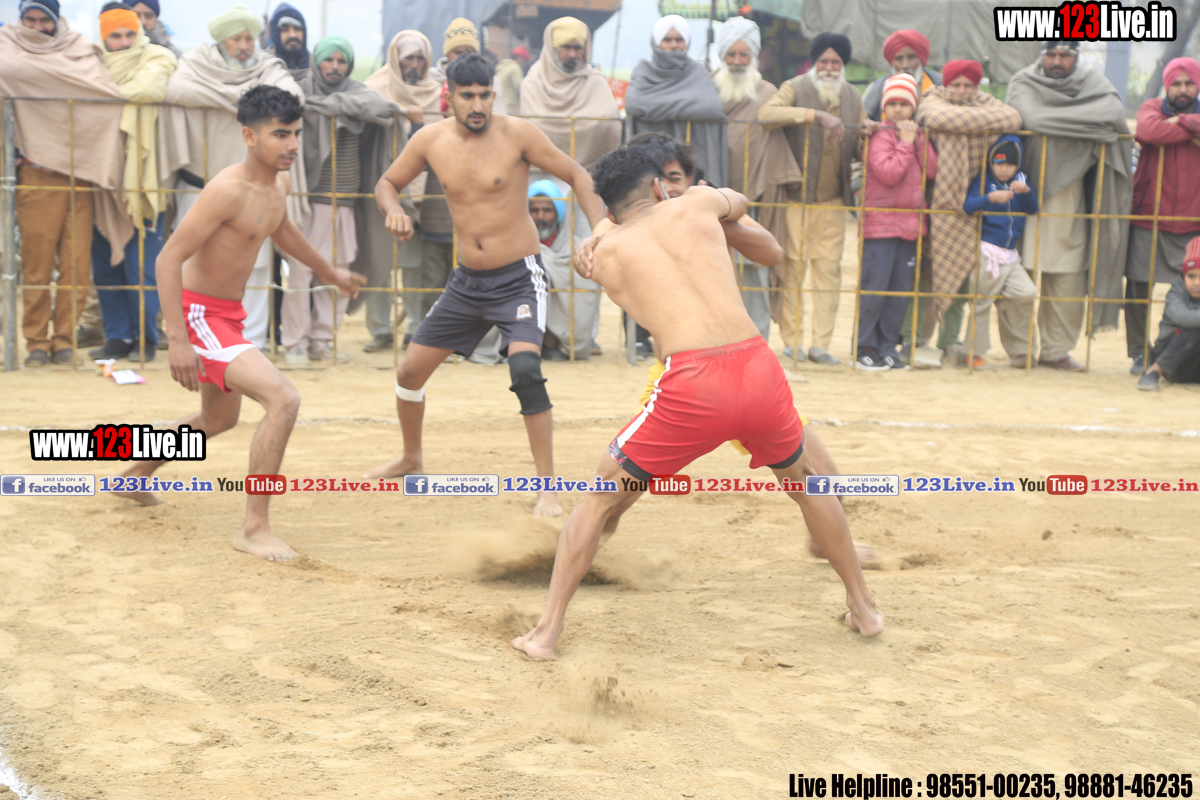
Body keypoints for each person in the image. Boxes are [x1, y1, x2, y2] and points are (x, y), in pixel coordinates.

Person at [511, 147, 883, 659]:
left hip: (692, 382)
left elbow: (609, 249)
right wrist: (705, 201)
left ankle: (545, 632)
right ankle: (864, 607)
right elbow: (741, 204)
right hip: (756, 365)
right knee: (805, 482)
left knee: (600, 497)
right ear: (659, 187)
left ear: (610, 208)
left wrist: (595, 239)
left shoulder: (603, 253)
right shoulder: (697, 203)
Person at [112, 86, 363, 560]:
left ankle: (134, 475)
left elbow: (283, 230)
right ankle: (253, 527)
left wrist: (330, 273)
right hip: (200, 316)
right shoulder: (227, 190)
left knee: (218, 419)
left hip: (226, 316)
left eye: (296, 134)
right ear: (250, 136)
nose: (292, 145)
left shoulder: (277, 185)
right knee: (283, 399)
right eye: (280, 135)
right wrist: (178, 340)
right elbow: (168, 259)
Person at [367, 54, 606, 518]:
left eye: (485, 95)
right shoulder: (430, 140)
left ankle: (547, 489)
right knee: (408, 374)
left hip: (518, 278)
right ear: (449, 97)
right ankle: (411, 458)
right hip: (466, 283)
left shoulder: (519, 134)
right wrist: (393, 210)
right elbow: (386, 183)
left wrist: (599, 232)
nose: (477, 105)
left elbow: (578, 174)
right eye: (467, 96)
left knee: (525, 370)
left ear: (494, 94)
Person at [160, 5, 306, 352]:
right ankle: (191, 342)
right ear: (221, 41)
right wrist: (246, 104)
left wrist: (221, 98)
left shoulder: (267, 65)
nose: (244, 46)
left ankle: (248, 346)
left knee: (254, 266)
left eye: (248, 38)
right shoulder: (197, 62)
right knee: (192, 261)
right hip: (199, 185)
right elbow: (176, 91)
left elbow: (295, 97)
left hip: (253, 186)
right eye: (236, 39)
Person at [1, 0, 126, 367]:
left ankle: (65, 341)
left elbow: (104, 93)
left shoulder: (79, 49)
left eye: (44, 20)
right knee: (37, 264)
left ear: (56, 21)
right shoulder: (7, 46)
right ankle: (37, 343)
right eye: (30, 19)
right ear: (20, 18)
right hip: (36, 173)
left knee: (76, 265)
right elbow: (10, 71)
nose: (37, 27)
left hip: (80, 174)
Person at [1007, 40, 1132, 372]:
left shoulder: (1093, 82)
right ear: (1042, 56)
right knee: (1017, 273)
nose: (1057, 60)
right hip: (1023, 194)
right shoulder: (1023, 80)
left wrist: (1050, 121)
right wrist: (1085, 124)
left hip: (1072, 197)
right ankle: (1020, 348)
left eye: (1065, 55)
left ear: (1076, 57)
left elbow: (1112, 114)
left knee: (1068, 275)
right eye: (1051, 54)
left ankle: (1056, 350)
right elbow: (1030, 116)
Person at [281, 36, 399, 367]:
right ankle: (295, 344)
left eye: (341, 61)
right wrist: (331, 106)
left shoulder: (356, 90)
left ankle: (322, 341)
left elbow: (383, 108)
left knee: (337, 274)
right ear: (317, 61)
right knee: (301, 273)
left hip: (345, 202)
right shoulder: (299, 90)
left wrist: (334, 104)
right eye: (329, 59)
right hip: (308, 200)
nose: (335, 66)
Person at [758, 32, 865, 365]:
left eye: (836, 62)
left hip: (833, 202)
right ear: (814, 63)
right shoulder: (795, 87)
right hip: (795, 200)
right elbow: (766, 115)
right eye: (824, 61)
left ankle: (821, 345)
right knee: (793, 270)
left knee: (828, 273)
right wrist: (814, 115)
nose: (829, 67)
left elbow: (860, 142)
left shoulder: (852, 95)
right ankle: (792, 342)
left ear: (842, 65)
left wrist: (869, 132)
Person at [913, 60, 1021, 368]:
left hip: (975, 204)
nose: (961, 91)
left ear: (977, 87)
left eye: (968, 86)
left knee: (961, 274)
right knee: (923, 275)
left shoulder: (987, 102)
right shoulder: (931, 100)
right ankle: (913, 340)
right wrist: (982, 120)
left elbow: (1013, 117)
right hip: (933, 204)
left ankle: (950, 341)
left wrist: (962, 119)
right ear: (945, 85)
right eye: (956, 85)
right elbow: (936, 116)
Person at [89, 3, 177, 364]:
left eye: (130, 34)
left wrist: (102, 94)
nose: (124, 42)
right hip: (102, 178)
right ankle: (117, 336)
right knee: (105, 261)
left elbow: (149, 88)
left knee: (142, 264)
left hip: (144, 177)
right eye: (115, 36)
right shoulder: (91, 63)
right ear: (103, 38)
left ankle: (145, 337)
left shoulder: (157, 56)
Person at [711, 16, 802, 341]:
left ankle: (757, 341)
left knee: (755, 270)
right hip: (712, 199)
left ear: (754, 56)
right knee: (713, 269)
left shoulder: (767, 94)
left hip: (758, 198)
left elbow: (778, 144)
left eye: (744, 54)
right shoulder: (706, 89)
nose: (737, 61)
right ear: (722, 55)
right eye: (731, 54)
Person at [364, 30, 447, 353]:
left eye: (420, 58)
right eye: (408, 58)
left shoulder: (436, 94)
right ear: (395, 60)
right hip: (380, 188)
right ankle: (380, 330)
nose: (414, 64)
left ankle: (414, 328)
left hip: (422, 194)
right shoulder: (374, 88)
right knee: (378, 265)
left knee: (413, 266)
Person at [1124, 57, 1200, 374]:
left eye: (1189, 83)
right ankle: (1139, 353)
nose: (1182, 89)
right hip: (1149, 215)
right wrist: (1192, 127)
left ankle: (1173, 353)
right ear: (1166, 86)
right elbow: (1147, 129)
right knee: (1138, 287)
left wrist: (1180, 122)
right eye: (1176, 83)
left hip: (1193, 219)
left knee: (1193, 290)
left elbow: (1159, 132)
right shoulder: (1151, 107)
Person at [857, 73, 937, 371]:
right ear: (884, 108)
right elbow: (889, 173)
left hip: (909, 226)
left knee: (900, 290)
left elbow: (931, 170)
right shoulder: (879, 137)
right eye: (893, 104)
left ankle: (888, 347)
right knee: (875, 288)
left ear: (913, 108)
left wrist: (917, 141)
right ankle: (864, 347)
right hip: (880, 226)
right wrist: (905, 144)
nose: (899, 110)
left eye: (905, 104)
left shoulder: (917, 137)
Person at [961, 136, 1039, 369]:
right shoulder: (984, 180)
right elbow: (967, 206)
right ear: (991, 162)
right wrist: (989, 198)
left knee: (1027, 293)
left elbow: (1033, 209)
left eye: (1010, 164)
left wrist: (1026, 192)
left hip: (1010, 255)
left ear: (1017, 165)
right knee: (981, 303)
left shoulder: (1021, 180)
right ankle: (973, 354)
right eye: (999, 163)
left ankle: (1022, 350)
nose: (1004, 169)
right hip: (988, 253)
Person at [626, 15, 728, 189]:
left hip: (691, 163)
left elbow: (712, 108)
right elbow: (634, 104)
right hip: (649, 159)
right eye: (667, 39)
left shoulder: (697, 71)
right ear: (656, 42)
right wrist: (688, 104)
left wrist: (654, 105)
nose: (674, 45)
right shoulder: (644, 70)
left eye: (679, 40)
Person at [529, 180, 600, 361]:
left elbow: (587, 282)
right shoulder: (517, 244)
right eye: (534, 210)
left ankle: (551, 343)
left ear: (558, 213)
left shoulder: (576, 247)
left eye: (547, 210)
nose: (540, 217)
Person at [1138, 238, 1200, 391]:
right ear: (1183, 275)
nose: (1197, 283)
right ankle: (1153, 372)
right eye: (1191, 276)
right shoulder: (1176, 294)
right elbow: (1181, 317)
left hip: (1195, 367)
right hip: (1170, 361)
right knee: (1196, 330)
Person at [862, 30, 941, 122]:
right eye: (899, 58)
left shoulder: (938, 82)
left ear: (919, 59)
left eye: (911, 57)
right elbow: (862, 119)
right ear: (892, 62)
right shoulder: (878, 86)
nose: (905, 65)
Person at [264, 3, 308, 78]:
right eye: (285, 30)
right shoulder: (265, 65)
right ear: (277, 35)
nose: (292, 35)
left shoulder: (316, 65)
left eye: (297, 29)